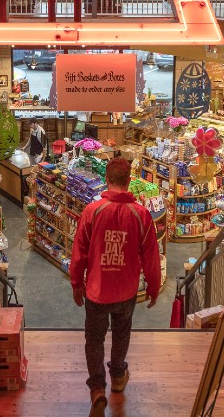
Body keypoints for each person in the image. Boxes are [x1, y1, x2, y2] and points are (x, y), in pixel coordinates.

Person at [70, 157, 162, 417]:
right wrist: (153, 286)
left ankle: (98, 389)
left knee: (94, 339)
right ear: (129, 180)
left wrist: (76, 282)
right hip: (126, 289)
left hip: (97, 290)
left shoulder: (93, 211)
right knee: (122, 333)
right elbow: (151, 256)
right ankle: (119, 376)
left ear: (107, 180)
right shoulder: (141, 214)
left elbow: (79, 252)